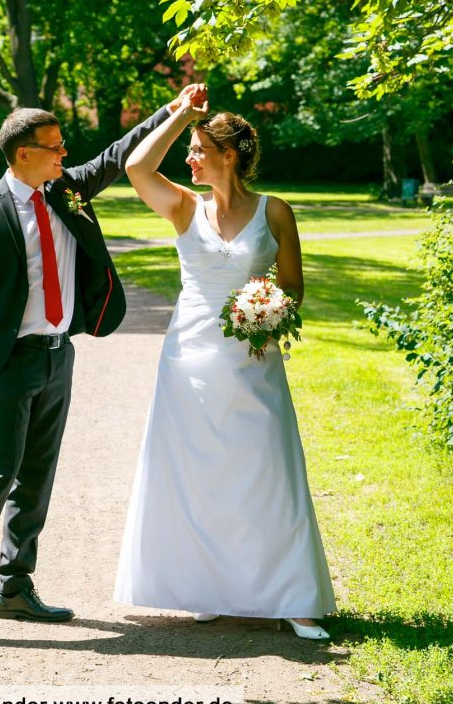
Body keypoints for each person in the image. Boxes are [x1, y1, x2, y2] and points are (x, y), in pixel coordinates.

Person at [0, 88, 199, 648]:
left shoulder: (66, 191)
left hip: (57, 356)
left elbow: (119, 153)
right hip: (6, 362)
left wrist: (174, 110)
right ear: (24, 153)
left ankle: (15, 587)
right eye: (54, 147)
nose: (64, 154)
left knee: (37, 476)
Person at [114, 89, 336, 639]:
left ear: (228, 156)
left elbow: (293, 286)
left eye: (196, 149)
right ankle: (202, 586)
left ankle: (295, 598)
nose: (189, 158)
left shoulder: (275, 210)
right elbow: (135, 164)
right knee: (195, 473)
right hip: (187, 357)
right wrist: (178, 116)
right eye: (190, 149)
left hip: (253, 358)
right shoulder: (184, 207)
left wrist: (266, 312)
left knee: (268, 469)